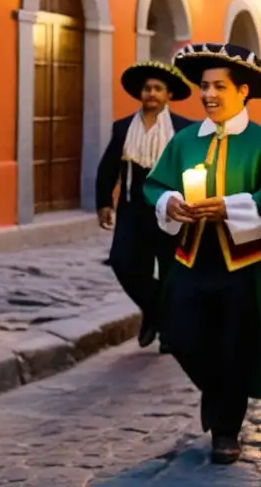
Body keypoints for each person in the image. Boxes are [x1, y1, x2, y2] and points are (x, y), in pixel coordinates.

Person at [144, 43, 261, 464]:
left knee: (233, 345)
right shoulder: (185, 140)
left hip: (242, 265)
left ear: (243, 91)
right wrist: (170, 201)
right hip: (191, 258)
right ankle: (222, 394)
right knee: (179, 336)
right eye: (204, 86)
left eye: (219, 87)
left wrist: (229, 207)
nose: (208, 94)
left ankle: (225, 430)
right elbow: (154, 184)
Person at [96, 61, 195, 350]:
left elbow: (193, 169)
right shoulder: (123, 127)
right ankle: (157, 312)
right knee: (123, 263)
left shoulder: (183, 130)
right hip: (132, 209)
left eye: (158, 88)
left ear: (168, 95)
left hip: (170, 209)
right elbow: (107, 168)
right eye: (147, 88)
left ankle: (168, 333)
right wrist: (104, 203)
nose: (151, 93)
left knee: (169, 272)